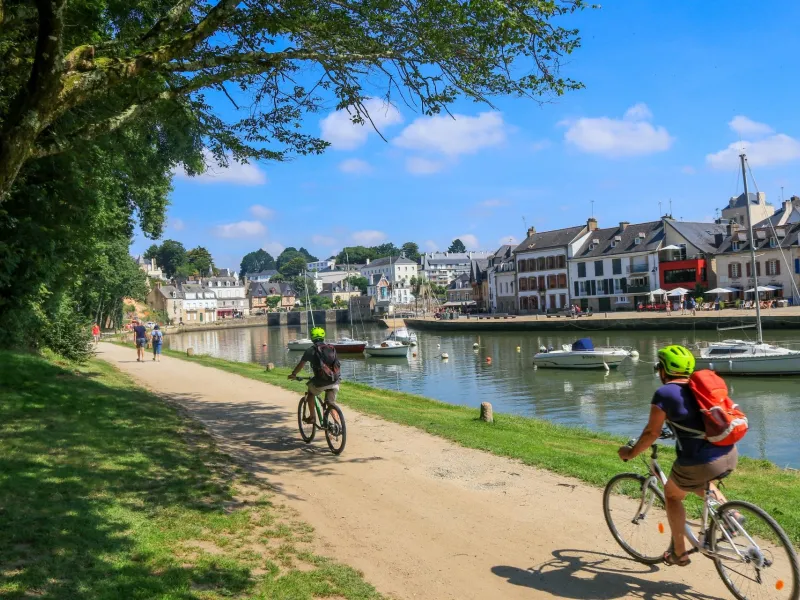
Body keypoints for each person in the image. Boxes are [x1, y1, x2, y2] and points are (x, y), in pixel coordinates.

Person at [618, 345, 739, 567]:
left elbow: (650, 433)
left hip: (701, 462)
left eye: (658, 367)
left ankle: (679, 553)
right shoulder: (699, 389)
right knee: (696, 482)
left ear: (663, 370)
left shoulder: (665, 393)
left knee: (672, 494)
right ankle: (730, 515)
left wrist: (630, 453)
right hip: (729, 453)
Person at [287, 327, 340, 425]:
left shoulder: (310, 350)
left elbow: (301, 365)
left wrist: (294, 374)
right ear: (323, 336)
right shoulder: (331, 348)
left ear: (312, 338)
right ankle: (338, 426)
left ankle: (312, 417)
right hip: (335, 381)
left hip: (321, 382)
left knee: (310, 393)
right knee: (330, 403)